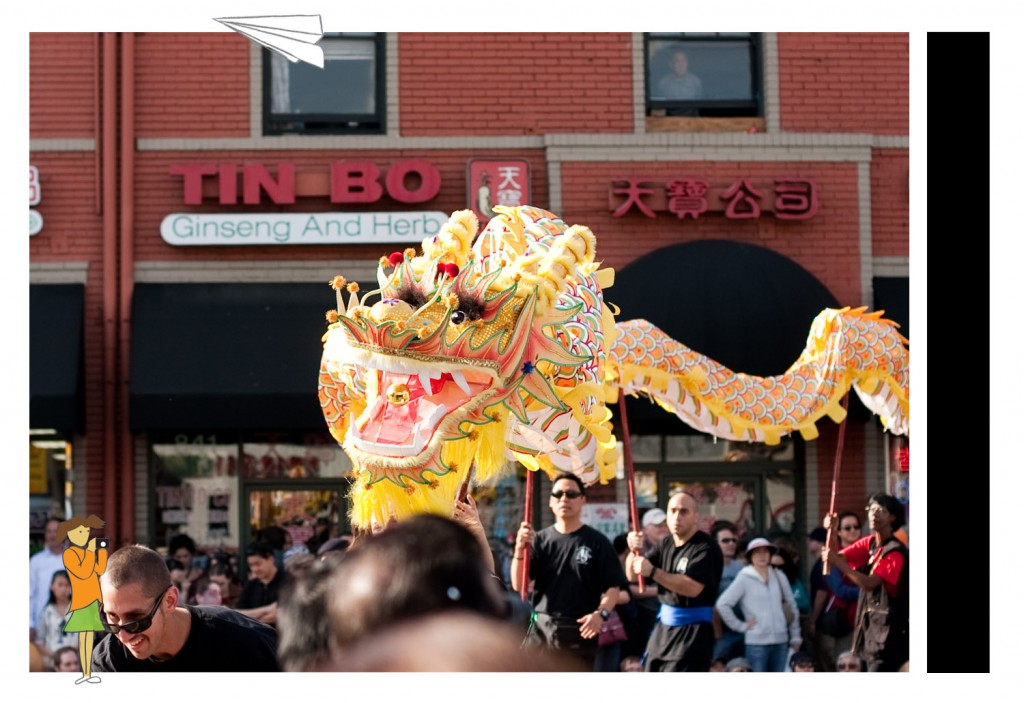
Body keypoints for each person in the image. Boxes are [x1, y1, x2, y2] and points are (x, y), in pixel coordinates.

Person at [326, 514, 508, 654]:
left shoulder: (434, 568)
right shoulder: (352, 578)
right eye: (379, 526)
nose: (390, 532)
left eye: (397, 522)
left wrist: (478, 536)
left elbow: (490, 607)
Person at [92, 544, 280, 672]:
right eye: (111, 618)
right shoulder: (109, 659)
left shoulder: (244, 641)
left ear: (170, 601)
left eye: (136, 619)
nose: (123, 635)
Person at [513, 473, 626, 671]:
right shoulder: (538, 540)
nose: (564, 499)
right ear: (550, 501)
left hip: (580, 632)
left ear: (583, 500)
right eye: (558, 494)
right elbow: (518, 584)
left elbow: (613, 588)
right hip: (542, 631)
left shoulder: (597, 542)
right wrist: (519, 549)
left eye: (571, 494)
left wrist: (601, 614)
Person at [625, 489, 723, 672]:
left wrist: (653, 572)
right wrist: (633, 551)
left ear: (696, 517)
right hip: (663, 630)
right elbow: (632, 576)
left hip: (692, 632)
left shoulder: (706, 547)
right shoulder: (666, 543)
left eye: (684, 511)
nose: (677, 516)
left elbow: (692, 588)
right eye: (672, 511)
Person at [823, 493, 909, 672]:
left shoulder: (896, 553)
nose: (873, 514)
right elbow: (836, 556)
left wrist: (835, 560)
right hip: (873, 633)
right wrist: (832, 530)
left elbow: (870, 583)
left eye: (880, 510)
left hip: (893, 634)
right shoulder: (870, 544)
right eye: (871, 509)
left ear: (892, 517)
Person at [715, 536, 802, 672]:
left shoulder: (779, 575)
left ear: (770, 554)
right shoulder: (744, 577)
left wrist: (796, 636)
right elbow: (722, 604)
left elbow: (792, 605)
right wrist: (740, 626)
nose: (762, 555)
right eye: (757, 552)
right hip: (756, 644)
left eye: (765, 551)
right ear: (750, 556)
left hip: (781, 641)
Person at [59, 514, 108, 684]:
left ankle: (88, 673)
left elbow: (99, 569)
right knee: (84, 638)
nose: (85, 535)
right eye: (80, 531)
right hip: (82, 601)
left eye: (86, 531)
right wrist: (90, 551)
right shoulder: (69, 554)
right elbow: (83, 572)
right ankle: (84, 674)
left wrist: (101, 551)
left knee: (90, 639)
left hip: (94, 599)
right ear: (71, 534)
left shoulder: (87, 553)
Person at [811, 510, 861, 672]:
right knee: (846, 666)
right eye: (847, 528)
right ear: (839, 532)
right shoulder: (832, 557)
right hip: (845, 622)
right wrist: (868, 590)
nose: (853, 530)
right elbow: (840, 590)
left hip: (866, 622)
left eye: (856, 526)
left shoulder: (868, 554)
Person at [711, 520, 746, 663]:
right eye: (725, 540)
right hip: (720, 632)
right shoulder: (709, 568)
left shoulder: (741, 568)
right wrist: (718, 632)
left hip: (742, 628)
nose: (731, 544)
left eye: (733, 540)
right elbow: (710, 602)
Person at [235, 540, 292, 626]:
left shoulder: (288, 582)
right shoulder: (251, 585)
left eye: (258, 564)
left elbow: (280, 614)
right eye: (251, 565)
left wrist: (250, 617)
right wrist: (267, 609)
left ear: (271, 559)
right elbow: (238, 614)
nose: (255, 569)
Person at [29, 517, 65, 643]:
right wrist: (30, 624)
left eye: (55, 531)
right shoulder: (36, 561)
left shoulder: (74, 559)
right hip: (41, 624)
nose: (51, 535)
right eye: (48, 531)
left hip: (68, 621)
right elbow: (29, 595)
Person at [33, 569, 79, 663]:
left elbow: (86, 637)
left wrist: (71, 656)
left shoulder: (78, 611)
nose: (63, 589)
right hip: (52, 663)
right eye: (60, 585)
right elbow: (39, 642)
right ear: (52, 586)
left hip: (75, 663)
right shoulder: (46, 613)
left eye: (67, 585)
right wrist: (56, 657)